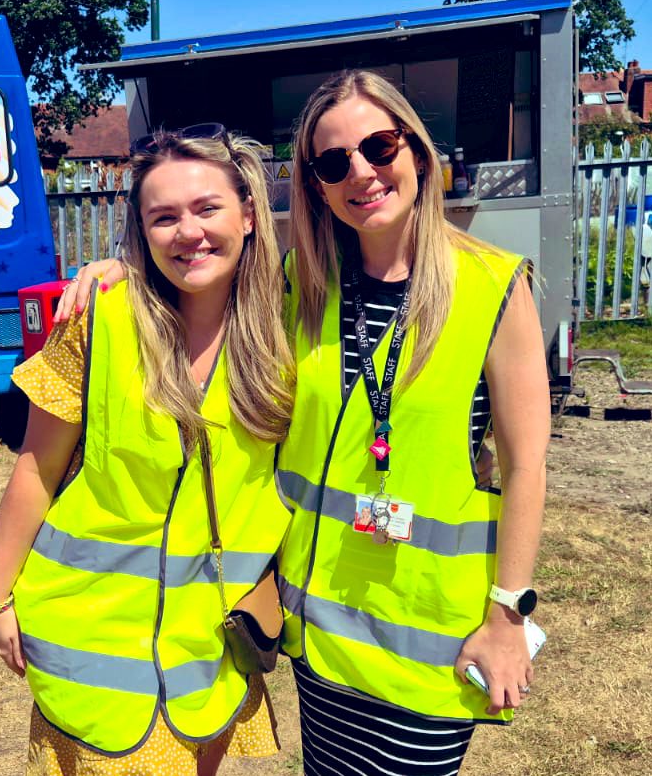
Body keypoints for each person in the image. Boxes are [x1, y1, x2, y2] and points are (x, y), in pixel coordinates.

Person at [58, 70, 549, 776]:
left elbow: (529, 467)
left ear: (416, 150)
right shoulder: (300, 283)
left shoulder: (494, 287)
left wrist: (508, 617)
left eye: (379, 146)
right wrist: (123, 270)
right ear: (315, 182)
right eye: (332, 161)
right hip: (316, 639)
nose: (362, 172)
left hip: (426, 644)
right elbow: (202, 277)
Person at [0, 126, 295, 774]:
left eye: (207, 208)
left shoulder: (293, 334)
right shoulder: (99, 321)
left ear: (250, 212)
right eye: (163, 217)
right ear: (141, 231)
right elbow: (37, 466)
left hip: (212, 642)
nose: (188, 231)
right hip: (95, 642)